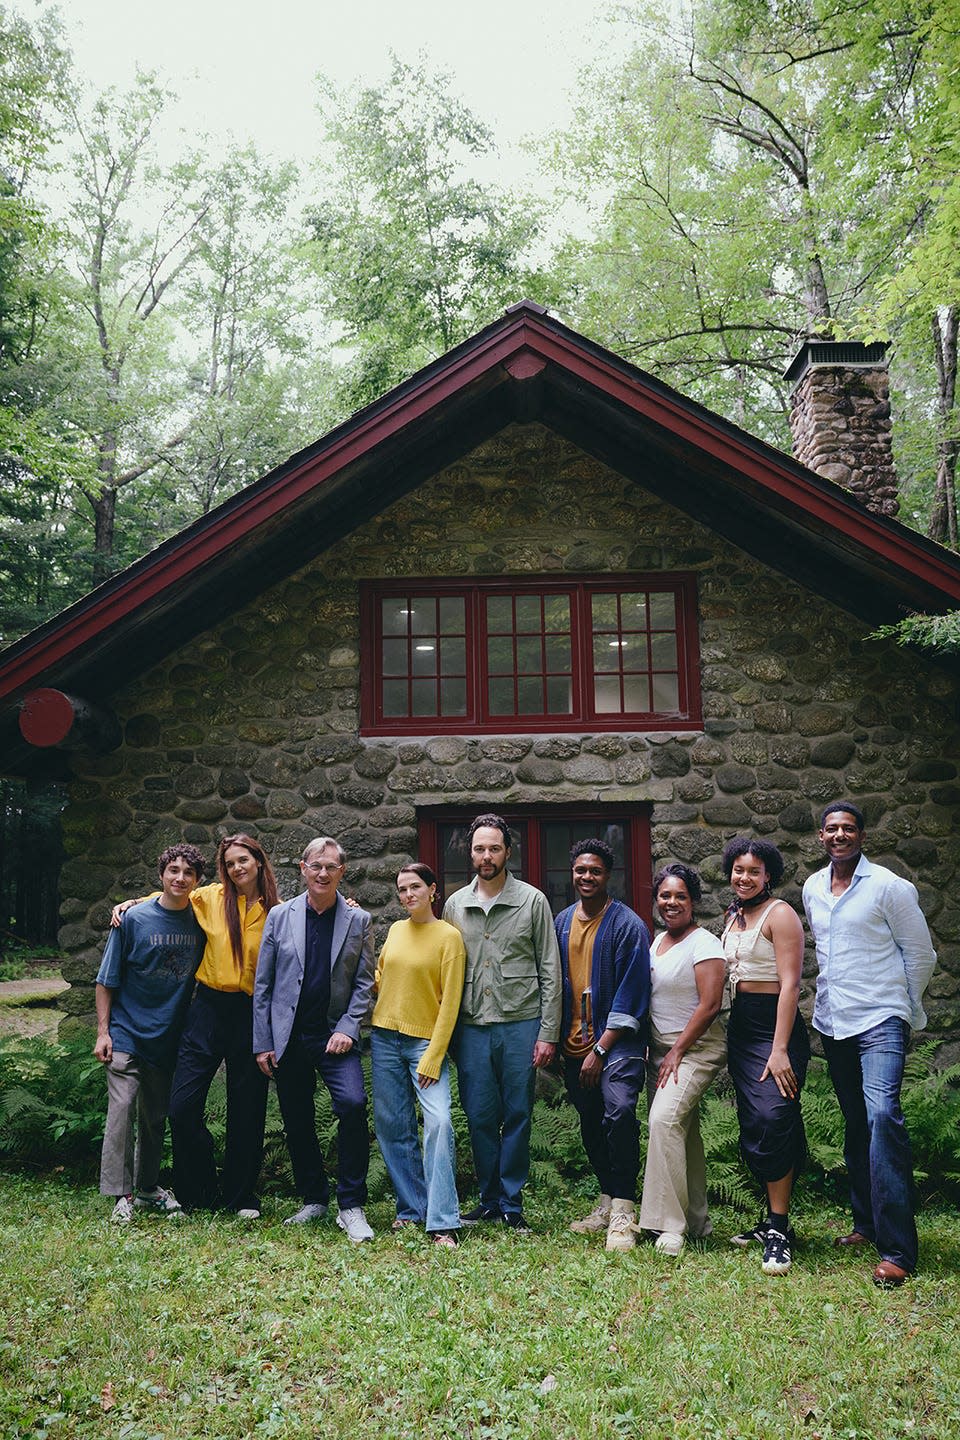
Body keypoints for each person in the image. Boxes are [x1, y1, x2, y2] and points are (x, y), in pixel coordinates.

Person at [803, 802, 937, 1288]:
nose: (839, 836)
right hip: (834, 1022)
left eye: (849, 829)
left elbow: (920, 953)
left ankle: (897, 1250)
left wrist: (905, 1008)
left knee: (883, 1117)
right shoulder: (813, 887)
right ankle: (866, 1223)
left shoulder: (890, 888)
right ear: (821, 837)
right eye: (832, 829)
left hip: (880, 1018)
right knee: (857, 1122)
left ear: (862, 836)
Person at [115, 833, 280, 1217]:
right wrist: (129, 904)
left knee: (248, 1109)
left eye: (243, 860)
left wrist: (348, 903)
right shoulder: (210, 897)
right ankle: (199, 1190)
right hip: (206, 1008)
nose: (237, 868)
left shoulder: (278, 911)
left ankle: (241, 1198)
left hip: (251, 1013)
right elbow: (171, 895)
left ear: (258, 861)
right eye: (230, 863)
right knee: (182, 1106)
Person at [443, 813, 562, 1232]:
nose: (487, 856)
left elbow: (550, 969)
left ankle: (512, 1202)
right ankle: (488, 1199)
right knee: (478, 1114)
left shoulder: (532, 901)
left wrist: (548, 1032)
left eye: (494, 848)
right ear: (470, 853)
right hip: (472, 1026)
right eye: (479, 848)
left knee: (517, 1114)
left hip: (520, 1022)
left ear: (508, 852)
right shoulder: (454, 905)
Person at [253, 836, 375, 1242]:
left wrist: (348, 1027)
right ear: (303, 869)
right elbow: (264, 984)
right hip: (289, 1038)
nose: (323, 873)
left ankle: (351, 1204)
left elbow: (363, 984)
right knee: (297, 1118)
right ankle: (314, 1199)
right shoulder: (279, 917)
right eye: (316, 866)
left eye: (332, 867)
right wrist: (263, 1041)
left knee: (354, 1105)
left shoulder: (359, 921)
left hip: (334, 1036)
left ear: (343, 872)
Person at [95, 844, 206, 1223]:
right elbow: (106, 980)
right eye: (173, 870)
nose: (180, 878)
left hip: (167, 1036)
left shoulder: (202, 922)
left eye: (188, 873)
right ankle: (119, 1195)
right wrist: (102, 1031)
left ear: (197, 881)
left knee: (155, 1117)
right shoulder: (132, 919)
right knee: (121, 1110)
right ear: (161, 875)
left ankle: (146, 1189)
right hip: (126, 1032)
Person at [554, 840, 649, 1252]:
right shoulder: (560, 922)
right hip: (574, 1044)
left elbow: (633, 992)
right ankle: (608, 1199)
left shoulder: (628, 926)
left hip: (618, 1045)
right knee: (591, 1124)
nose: (586, 877)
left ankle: (625, 1212)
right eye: (580, 870)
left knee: (620, 1112)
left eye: (594, 871)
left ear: (608, 875)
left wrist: (601, 1048)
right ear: (572, 874)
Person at [721, 836, 809, 1276]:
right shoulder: (733, 916)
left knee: (775, 1118)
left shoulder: (781, 915)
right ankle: (769, 1221)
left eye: (754, 871)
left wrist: (779, 1050)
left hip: (776, 1030)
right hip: (742, 1029)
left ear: (768, 874)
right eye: (739, 870)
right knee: (755, 1122)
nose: (744, 877)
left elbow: (791, 985)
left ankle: (779, 1229)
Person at [371, 863, 466, 1247]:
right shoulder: (394, 930)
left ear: (432, 891)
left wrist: (434, 1055)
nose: (408, 895)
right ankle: (411, 1208)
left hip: (425, 1044)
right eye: (402, 889)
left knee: (440, 1122)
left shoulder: (449, 938)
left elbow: (451, 1004)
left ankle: (443, 1220)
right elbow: (381, 978)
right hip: (384, 1038)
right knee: (394, 1127)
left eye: (415, 887)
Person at [638, 862, 727, 1257]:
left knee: (663, 1120)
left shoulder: (704, 943)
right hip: (661, 1048)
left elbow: (709, 1006)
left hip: (696, 1048)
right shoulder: (656, 942)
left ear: (693, 902)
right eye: (665, 895)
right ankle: (696, 1221)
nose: (671, 903)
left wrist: (675, 1051)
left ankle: (669, 1227)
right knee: (683, 1132)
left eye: (680, 896)